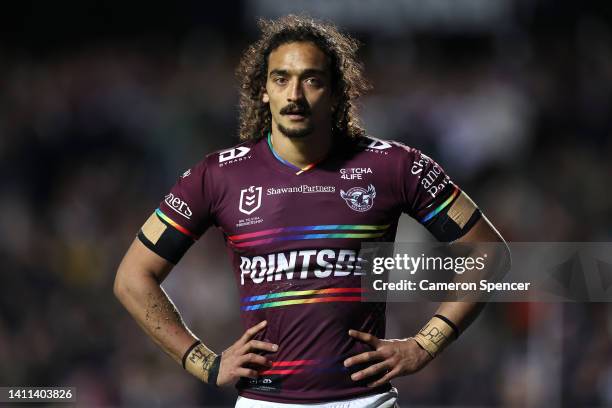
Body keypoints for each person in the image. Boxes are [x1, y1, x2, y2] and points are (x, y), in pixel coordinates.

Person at [114, 15, 508, 408]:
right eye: (281, 79)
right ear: (263, 90)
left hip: (365, 401)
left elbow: (490, 252)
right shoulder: (216, 176)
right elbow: (133, 277)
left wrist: (425, 345)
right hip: (265, 402)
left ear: (337, 92)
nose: (295, 95)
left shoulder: (394, 165)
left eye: (312, 80)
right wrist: (203, 362)